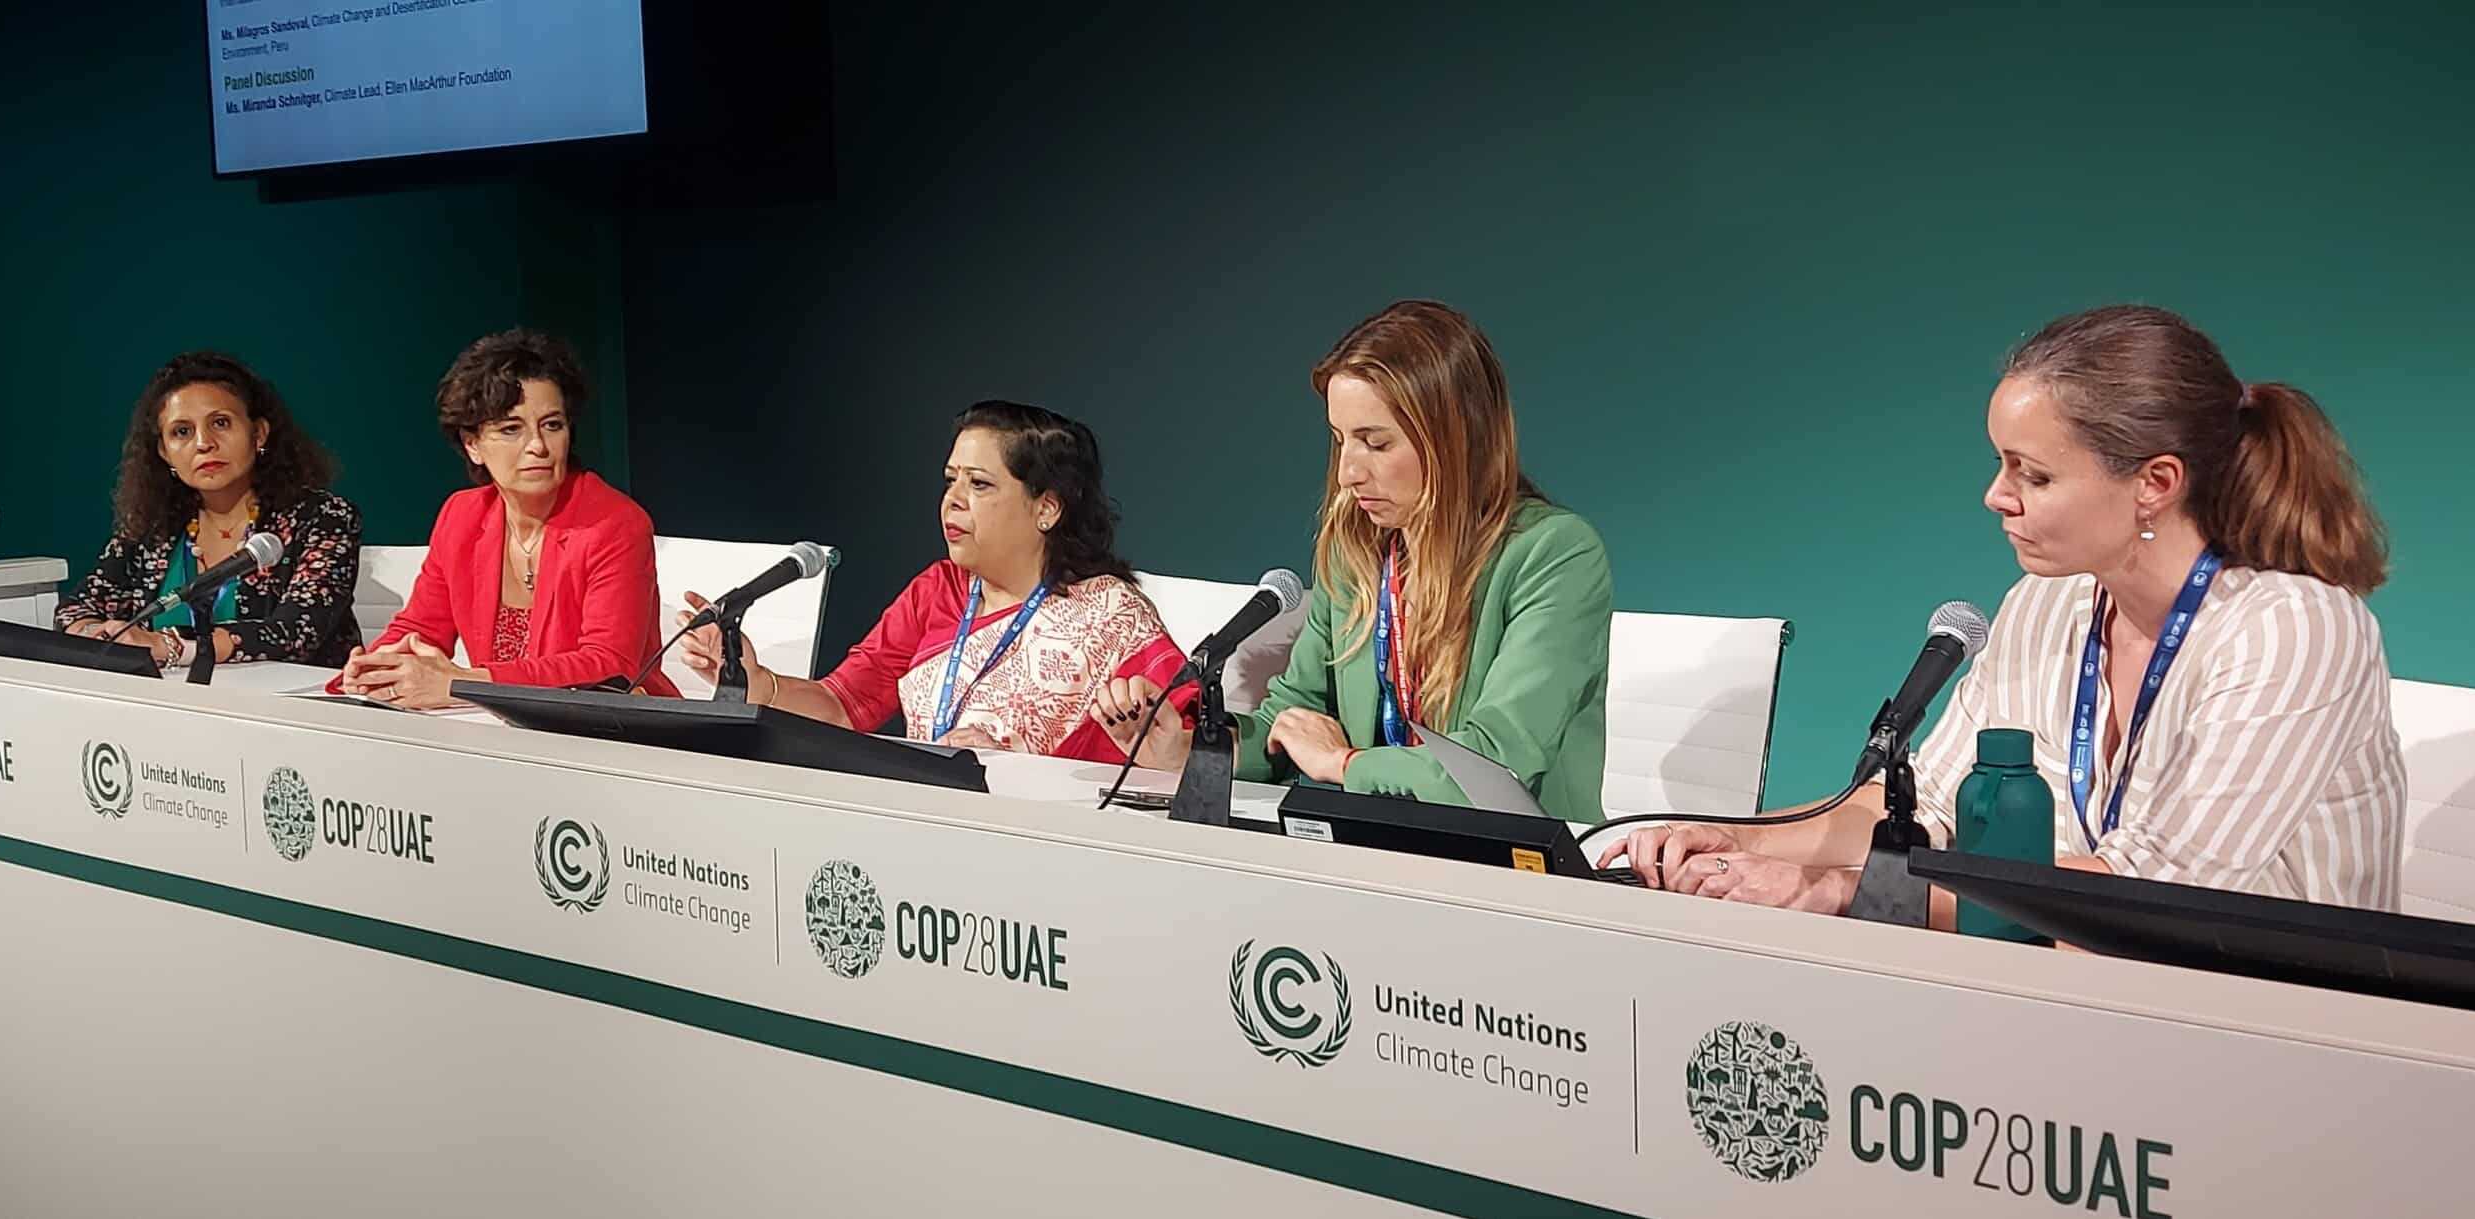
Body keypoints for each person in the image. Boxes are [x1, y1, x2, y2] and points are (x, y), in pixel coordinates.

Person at [1598, 304, 2404, 912]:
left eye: (2034, 474)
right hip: (2072, 997)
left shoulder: (2295, 628)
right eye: (2001, 465)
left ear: (2155, 483)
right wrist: (1738, 843)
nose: (1997, 496)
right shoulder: (2043, 606)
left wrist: (1833, 893)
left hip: (2285, 1026)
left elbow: (2164, 889)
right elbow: (1926, 811)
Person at [1096, 300, 1613, 823]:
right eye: (1341, 440)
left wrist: (1345, 763)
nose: (1347, 473)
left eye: (1375, 442)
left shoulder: (1554, 553)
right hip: (1376, 847)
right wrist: (1186, 749)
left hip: (1518, 868)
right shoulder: (1357, 556)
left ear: (1457, 438)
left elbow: (1497, 764)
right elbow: (1290, 721)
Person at [678, 401, 1186, 761]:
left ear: (1047, 507)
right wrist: (754, 680)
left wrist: (1022, 769)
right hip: (931, 835)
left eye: (980, 484)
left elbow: (1193, 744)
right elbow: (842, 706)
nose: (953, 500)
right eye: (951, 480)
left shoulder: (1111, 614)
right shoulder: (937, 591)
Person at [338, 329, 677, 708]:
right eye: (511, 429)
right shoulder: (462, 514)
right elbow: (421, 627)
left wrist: (465, 684)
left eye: (552, 425)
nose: (537, 446)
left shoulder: (615, 523)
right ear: (472, 445)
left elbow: (610, 666)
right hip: (498, 726)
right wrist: (376, 665)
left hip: (613, 732)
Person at [58, 352, 361, 668]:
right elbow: (75, 609)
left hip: (294, 706)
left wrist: (169, 645)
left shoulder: (324, 518)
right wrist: (99, 635)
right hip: (172, 703)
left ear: (258, 433)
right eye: (182, 431)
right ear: (164, 452)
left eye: (220, 423)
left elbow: (296, 633)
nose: (203, 443)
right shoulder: (154, 527)